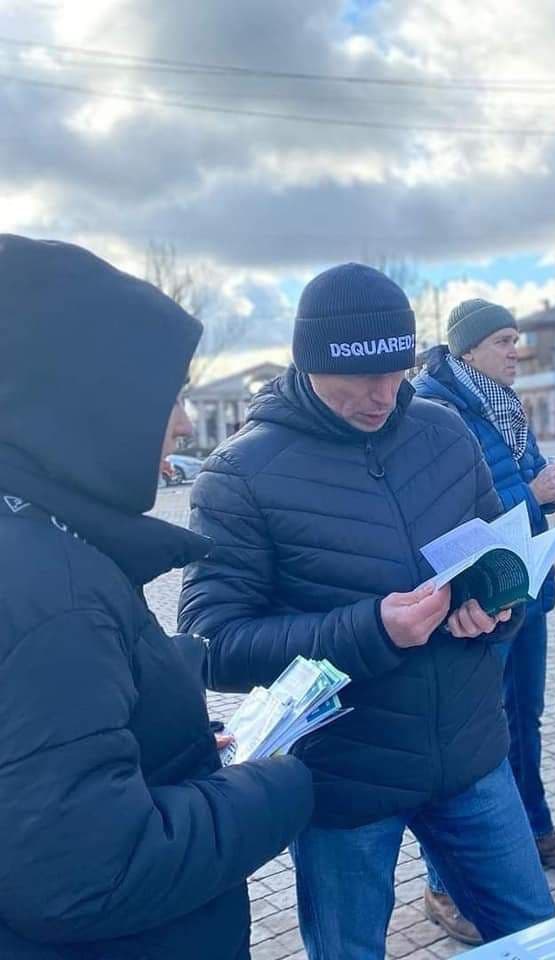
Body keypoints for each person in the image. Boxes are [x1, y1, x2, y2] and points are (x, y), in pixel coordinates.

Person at [178, 265, 555, 960]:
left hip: (471, 758)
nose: (384, 396)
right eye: (360, 379)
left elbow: (497, 557)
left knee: (542, 943)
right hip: (345, 782)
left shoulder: (444, 430)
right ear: (308, 363)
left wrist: (498, 608)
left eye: (397, 373)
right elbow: (212, 643)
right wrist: (371, 629)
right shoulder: (239, 474)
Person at [0, 235, 315, 960]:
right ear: (90, 403)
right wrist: (279, 787)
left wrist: (164, 732)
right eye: (169, 394)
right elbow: (89, 874)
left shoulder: (36, 544)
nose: (183, 423)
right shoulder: (55, 590)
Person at [412, 300, 555, 944]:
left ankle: (534, 830)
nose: (516, 351)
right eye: (502, 341)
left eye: (517, 339)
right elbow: (450, 510)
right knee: (468, 739)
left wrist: (548, 492)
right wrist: (533, 494)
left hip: (525, 591)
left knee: (524, 719)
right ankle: (443, 885)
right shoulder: (434, 407)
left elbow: (517, 488)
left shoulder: (504, 404)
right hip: (473, 605)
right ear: (466, 349)